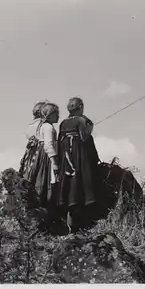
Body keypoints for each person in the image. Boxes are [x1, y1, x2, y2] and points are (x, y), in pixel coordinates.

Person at [57, 97, 100, 233]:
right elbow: (84, 137)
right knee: (82, 186)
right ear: (80, 107)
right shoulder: (81, 121)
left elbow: (60, 141)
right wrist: (90, 125)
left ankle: (71, 224)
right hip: (79, 158)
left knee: (70, 187)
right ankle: (81, 225)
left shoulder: (63, 122)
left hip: (66, 159)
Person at [33, 103, 61, 210]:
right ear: (49, 115)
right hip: (48, 159)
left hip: (44, 157)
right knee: (49, 183)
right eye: (56, 113)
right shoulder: (48, 127)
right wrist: (54, 162)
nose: (58, 116)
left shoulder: (43, 126)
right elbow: (48, 145)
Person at [18, 101, 46, 182]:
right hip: (40, 151)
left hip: (30, 152)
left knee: (28, 170)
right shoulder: (42, 124)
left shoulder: (30, 125)